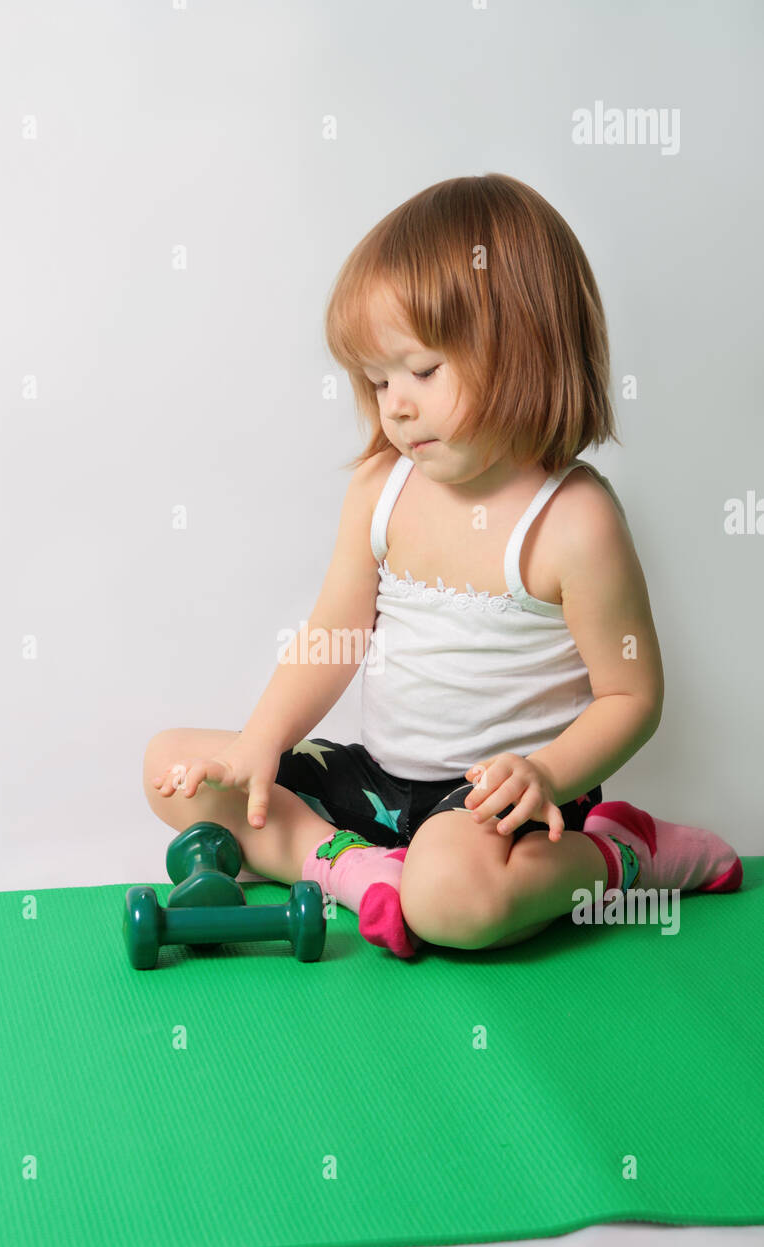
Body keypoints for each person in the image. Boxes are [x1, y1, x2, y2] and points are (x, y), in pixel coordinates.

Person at [143, 174, 742, 959]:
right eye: (378, 379)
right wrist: (259, 740)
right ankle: (354, 867)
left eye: (421, 371)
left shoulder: (573, 521)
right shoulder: (381, 488)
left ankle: (618, 852)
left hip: (497, 798)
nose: (395, 404)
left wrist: (546, 773)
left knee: (453, 903)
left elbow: (632, 695)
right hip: (381, 784)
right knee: (173, 768)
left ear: (525, 346)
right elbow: (334, 634)